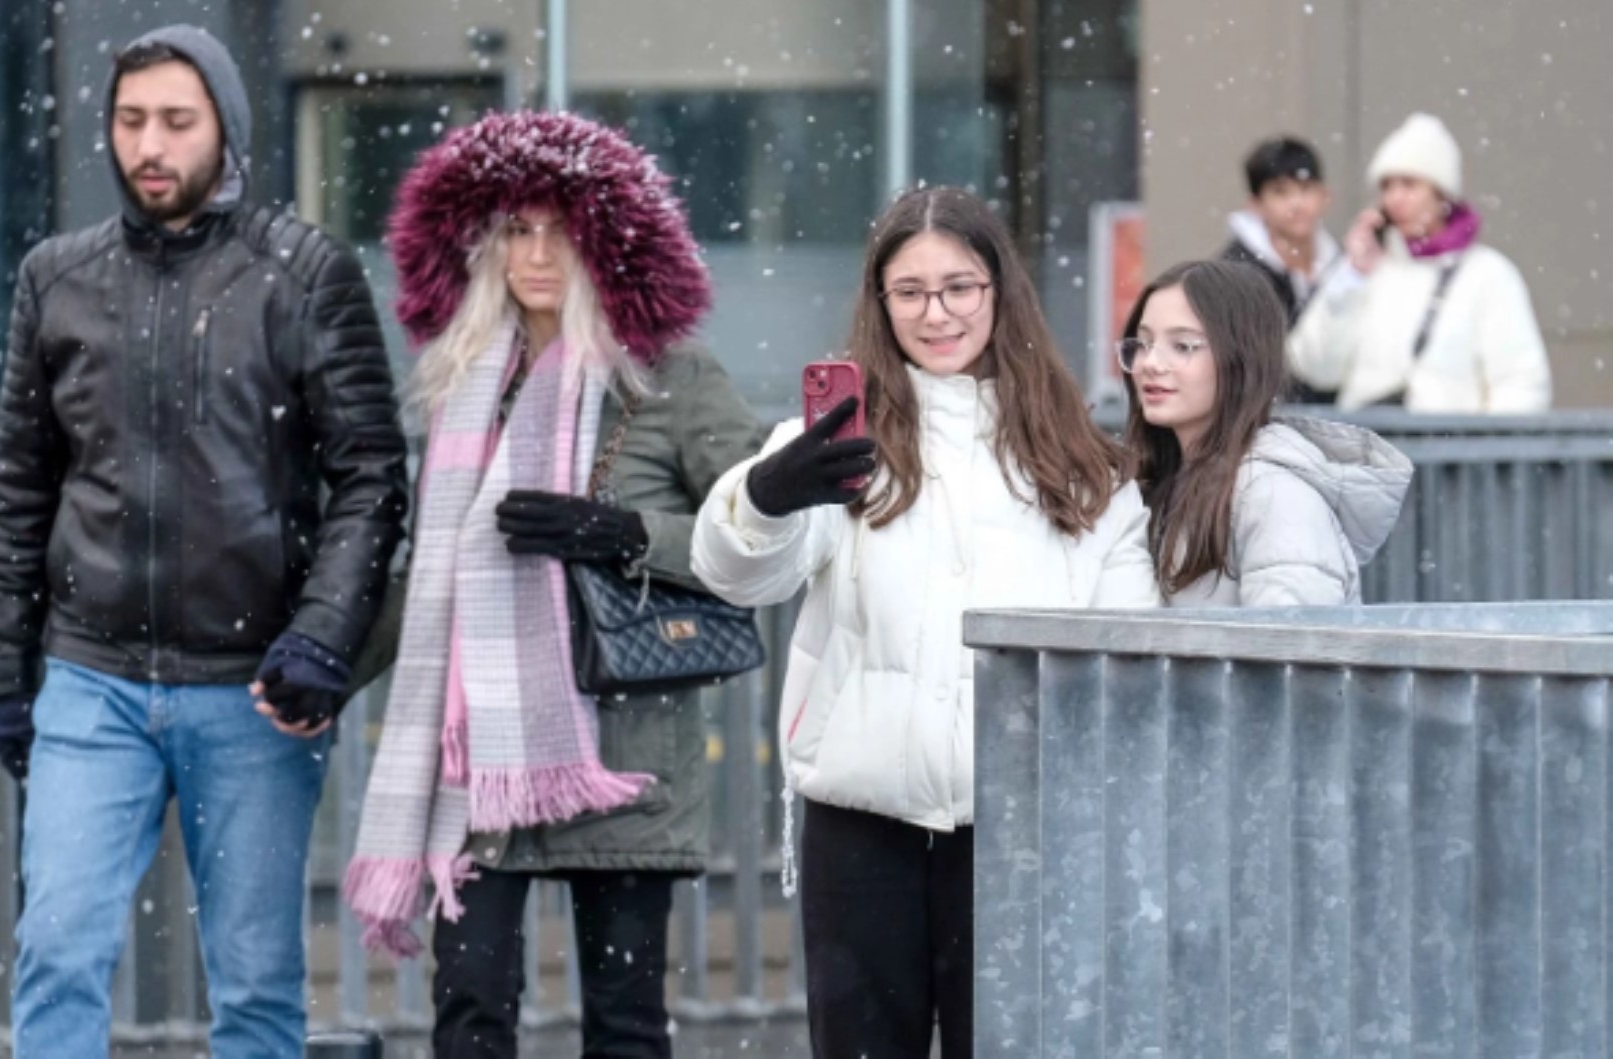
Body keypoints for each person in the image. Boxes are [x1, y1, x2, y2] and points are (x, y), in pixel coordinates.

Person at [0, 25, 408, 1057]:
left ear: (227, 127)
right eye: (130, 121)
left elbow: (371, 476)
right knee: (57, 950)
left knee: (256, 984)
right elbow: (23, 488)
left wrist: (321, 638)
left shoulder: (304, 272)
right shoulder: (56, 277)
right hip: (91, 678)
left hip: (253, 685)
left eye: (177, 120)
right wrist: (2, 671)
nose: (150, 145)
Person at [690, 186, 1160, 1058]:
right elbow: (736, 575)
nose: (936, 313)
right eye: (909, 291)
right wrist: (762, 498)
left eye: (959, 287)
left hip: (1025, 828)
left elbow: (1126, 659)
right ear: (880, 302)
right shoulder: (834, 445)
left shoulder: (1084, 466)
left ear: (999, 291)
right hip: (861, 826)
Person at [341, 110, 765, 1059]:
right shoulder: (464, 388)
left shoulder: (672, 377)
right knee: (470, 1013)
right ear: (481, 245)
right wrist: (326, 670)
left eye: (562, 231)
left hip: (623, 749)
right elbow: (433, 585)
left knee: (624, 1026)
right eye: (516, 230)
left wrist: (624, 535)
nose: (538, 255)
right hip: (478, 766)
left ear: (607, 243)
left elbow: (759, 537)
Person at [1120, 259, 1413, 606]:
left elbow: (1293, 637)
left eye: (1183, 345)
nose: (1150, 363)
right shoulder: (1162, 481)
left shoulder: (1275, 494)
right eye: (1143, 343)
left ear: (1241, 357)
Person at [1288, 112, 1551, 412]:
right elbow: (1315, 368)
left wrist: (1484, 441)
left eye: (1409, 185)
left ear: (1442, 195)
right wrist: (1351, 278)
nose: (1395, 198)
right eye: (1387, 186)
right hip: (1367, 439)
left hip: (1451, 441)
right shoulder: (1366, 270)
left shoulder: (1489, 275)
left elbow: (1521, 385)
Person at [1218, 135, 1342, 402]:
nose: (1296, 204)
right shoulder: (1235, 274)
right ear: (1255, 204)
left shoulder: (1343, 265)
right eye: (1280, 192)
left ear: (1325, 196)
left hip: (1335, 415)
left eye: (1305, 189)